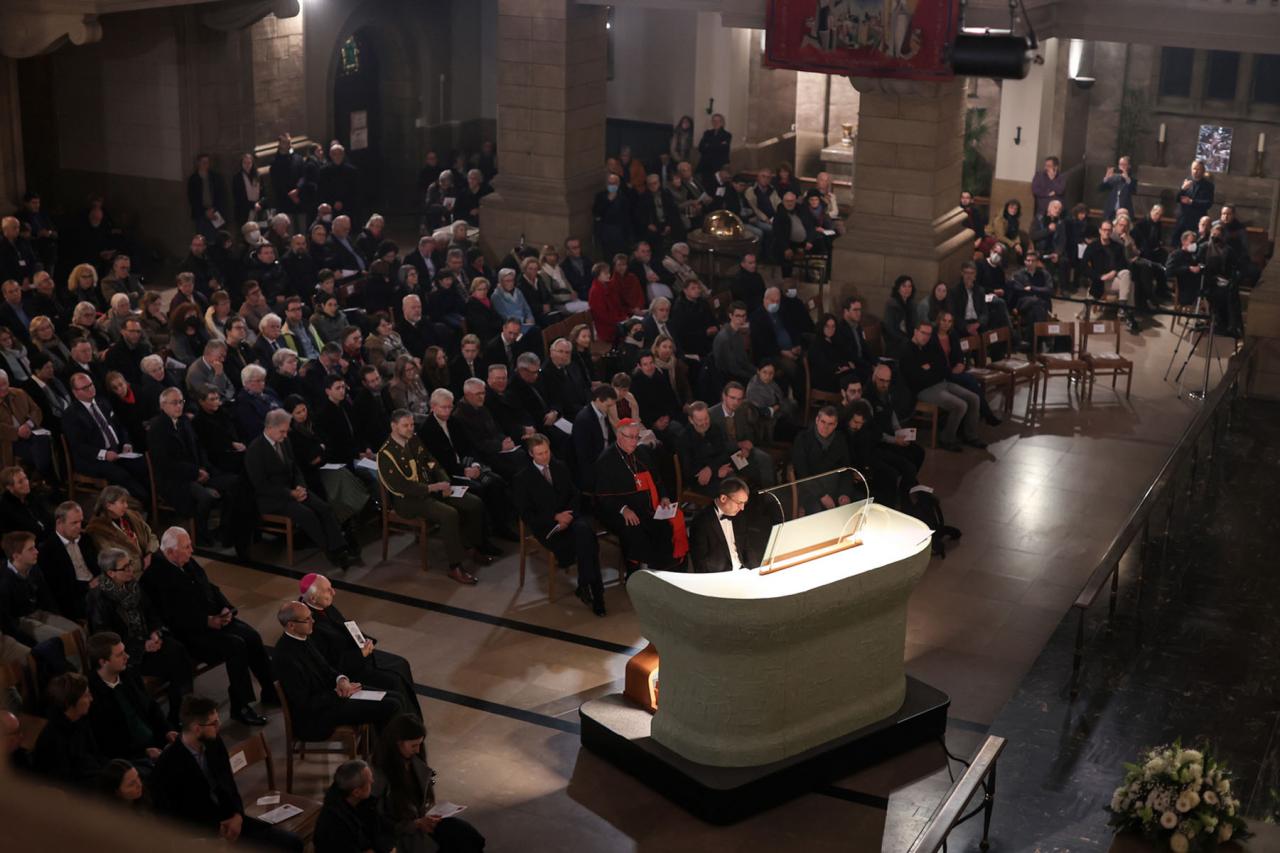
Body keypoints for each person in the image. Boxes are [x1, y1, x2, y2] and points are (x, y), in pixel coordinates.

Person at [141, 527, 277, 726]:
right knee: (236, 645)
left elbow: (210, 587)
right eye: (186, 547)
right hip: (191, 634)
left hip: (215, 619)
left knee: (252, 636)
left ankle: (269, 689)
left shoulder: (185, 561)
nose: (191, 551)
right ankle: (240, 706)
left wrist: (225, 607)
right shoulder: (155, 576)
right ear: (170, 552)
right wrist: (206, 621)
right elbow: (171, 616)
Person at [151, 695, 303, 851]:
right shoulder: (167, 764)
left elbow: (228, 783)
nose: (219, 726)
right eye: (214, 723)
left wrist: (237, 815)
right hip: (201, 836)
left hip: (230, 820)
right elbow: (167, 818)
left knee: (292, 843)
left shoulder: (214, 743)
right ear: (197, 728)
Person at [378, 409, 495, 585]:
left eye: (411, 424)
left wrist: (445, 482)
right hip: (408, 501)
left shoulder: (414, 440)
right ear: (393, 426)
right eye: (405, 425)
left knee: (474, 503)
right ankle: (455, 566)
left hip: (433, 490)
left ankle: (470, 546)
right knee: (449, 514)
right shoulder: (386, 454)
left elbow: (432, 462)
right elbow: (401, 486)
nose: (410, 428)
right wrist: (433, 487)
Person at [87, 547, 193, 729]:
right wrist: (143, 645)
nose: (130, 569)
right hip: (127, 652)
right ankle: (173, 720)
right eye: (124, 567)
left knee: (179, 651)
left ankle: (179, 713)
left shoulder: (134, 585)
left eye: (130, 564)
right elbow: (106, 637)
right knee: (175, 662)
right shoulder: (98, 599)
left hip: (147, 640)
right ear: (110, 573)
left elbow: (151, 613)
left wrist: (155, 632)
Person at [273, 600, 401, 739]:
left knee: (396, 697)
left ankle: (385, 747)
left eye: (311, 616)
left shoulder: (304, 637)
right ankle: (387, 753)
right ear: (291, 625)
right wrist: (338, 693)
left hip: (334, 696)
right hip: (319, 715)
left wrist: (342, 680)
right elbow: (304, 703)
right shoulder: (285, 657)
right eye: (307, 619)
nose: (313, 621)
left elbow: (326, 668)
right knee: (391, 705)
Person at [246, 408, 352, 569]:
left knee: (324, 508)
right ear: (269, 428)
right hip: (273, 498)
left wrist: (301, 486)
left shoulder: (285, 442)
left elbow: (295, 468)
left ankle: (340, 547)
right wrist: (290, 493)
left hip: (295, 489)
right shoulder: (255, 450)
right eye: (282, 431)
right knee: (307, 515)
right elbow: (261, 485)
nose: (285, 435)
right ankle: (330, 551)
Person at [513, 433, 605, 615]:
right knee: (587, 539)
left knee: (585, 534)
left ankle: (591, 588)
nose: (545, 456)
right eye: (539, 454)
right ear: (531, 454)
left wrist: (568, 516)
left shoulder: (560, 466)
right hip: (547, 527)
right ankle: (593, 591)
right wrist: (555, 517)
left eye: (547, 452)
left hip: (570, 518)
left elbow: (574, 494)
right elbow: (526, 513)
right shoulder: (523, 478)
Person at [372, 713, 486, 853]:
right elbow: (378, 820)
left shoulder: (414, 760)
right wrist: (415, 824)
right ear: (398, 742)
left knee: (465, 834)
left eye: (420, 744)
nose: (418, 750)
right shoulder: (378, 774)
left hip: (423, 822)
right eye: (414, 745)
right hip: (402, 834)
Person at [595, 419, 688, 574]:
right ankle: (637, 574)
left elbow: (658, 479)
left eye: (637, 437)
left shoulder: (642, 453)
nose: (634, 441)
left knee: (666, 524)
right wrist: (623, 509)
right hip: (621, 511)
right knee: (634, 529)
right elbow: (603, 497)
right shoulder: (606, 460)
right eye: (630, 437)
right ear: (619, 436)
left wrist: (664, 497)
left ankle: (666, 572)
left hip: (650, 507)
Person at [85, 630, 176, 764]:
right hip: (132, 757)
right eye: (120, 654)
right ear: (103, 662)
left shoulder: (129, 675)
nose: (127, 656)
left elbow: (151, 707)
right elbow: (107, 742)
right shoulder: (92, 694)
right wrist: (144, 752)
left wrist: (167, 730)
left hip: (156, 740)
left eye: (124, 651)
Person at [62, 371, 150, 501]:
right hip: (93, 458)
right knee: (120, 474)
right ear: (75, 392)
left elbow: (120, 426)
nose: (90, 389)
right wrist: (104, 454)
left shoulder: (102, 402)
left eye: (91, 385)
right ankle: (145, 502)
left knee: (142, 464)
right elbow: (79, 446)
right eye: (85, 388)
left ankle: (153, 498)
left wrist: (126, 443)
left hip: (117, 451)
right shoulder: (71, 415)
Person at [900, 321, 986, 451]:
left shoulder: (929, 346)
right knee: (960, 405)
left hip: (940, 383)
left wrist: (930, 369)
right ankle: (947, 439)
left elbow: (941, 365)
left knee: (974, 398)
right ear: (916, 332)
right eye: (923, 333)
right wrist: (932, 370)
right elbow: (916, 378)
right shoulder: (907, 349)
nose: (926, 337)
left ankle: (970, 436)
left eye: (929, 334)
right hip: (923, 390)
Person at [2, 529, 82, 649]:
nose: (37, 551)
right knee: (65, 640)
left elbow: (46, 596)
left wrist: (57, 616)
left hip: (39, 613)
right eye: (31, 549)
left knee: (78, 631)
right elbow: (7, 619)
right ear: (16, 556)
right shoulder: (3, 580)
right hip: (22, 620)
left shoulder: (34, 568)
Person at [33, 672, 108, 788]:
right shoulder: (53, 738)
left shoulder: (80, 720)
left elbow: (95, 755)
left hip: (94, 775)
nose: (91, 699)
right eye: (86, 696)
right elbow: (66, 782)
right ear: (69, 703)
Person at [38, 500, 100, 620]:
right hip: (75, 596)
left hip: (97, 586)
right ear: (60, 523)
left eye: (80, 522)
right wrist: (88, 586)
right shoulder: (47, 549)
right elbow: (58, 586)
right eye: (74, 523)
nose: (79, 527)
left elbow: (96, 565)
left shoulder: (85, 539)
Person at [315, 760, 391, 853]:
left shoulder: (361, 800)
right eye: (369, 781)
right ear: (356, 792)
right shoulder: (335, 824)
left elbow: (379, 828)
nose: (373, 781)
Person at [84, 485, 158, 579]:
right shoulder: (98, 530)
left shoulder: (133, 516)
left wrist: (150, 554)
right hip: (129, 577)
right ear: (109, 505)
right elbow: (115, 561)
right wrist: (142, 564)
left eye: (126, 502)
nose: (126, 505)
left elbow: (152, 537)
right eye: (122, 502)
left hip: (150, 566)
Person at [688, 477, 756, 573]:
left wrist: (754, 571)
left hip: (742, 571)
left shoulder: (739, 516)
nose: (742, 508)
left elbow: (747, 547)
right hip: (720, 577)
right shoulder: (701, 522)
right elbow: (701, 564)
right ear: (723, 498)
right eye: (739, 503)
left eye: (744, 503)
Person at [1172, 159, 1214, 246]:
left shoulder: (1208, 186)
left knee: (1193, 246)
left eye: (1198, 169)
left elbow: (1208, 203)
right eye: (1194, 169)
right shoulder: (1187, 181)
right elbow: (1177, 199)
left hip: (1196, 221)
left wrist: (1192, 202)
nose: (1195, 171)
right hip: (1182, 220)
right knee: (1177, 244)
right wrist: (1182, 189)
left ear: (1203, 171)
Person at [1099, 155, 1138, 222]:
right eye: (1120, 164)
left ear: (1129, 166)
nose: (1122, 166)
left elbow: (1133, 191)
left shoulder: (1132, 180)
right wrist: (1106, 178)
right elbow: (1101, 189)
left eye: (1124, 164)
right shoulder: (1114, 178)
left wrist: (1127, 179)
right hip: (1110, 212)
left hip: (1124, 212)